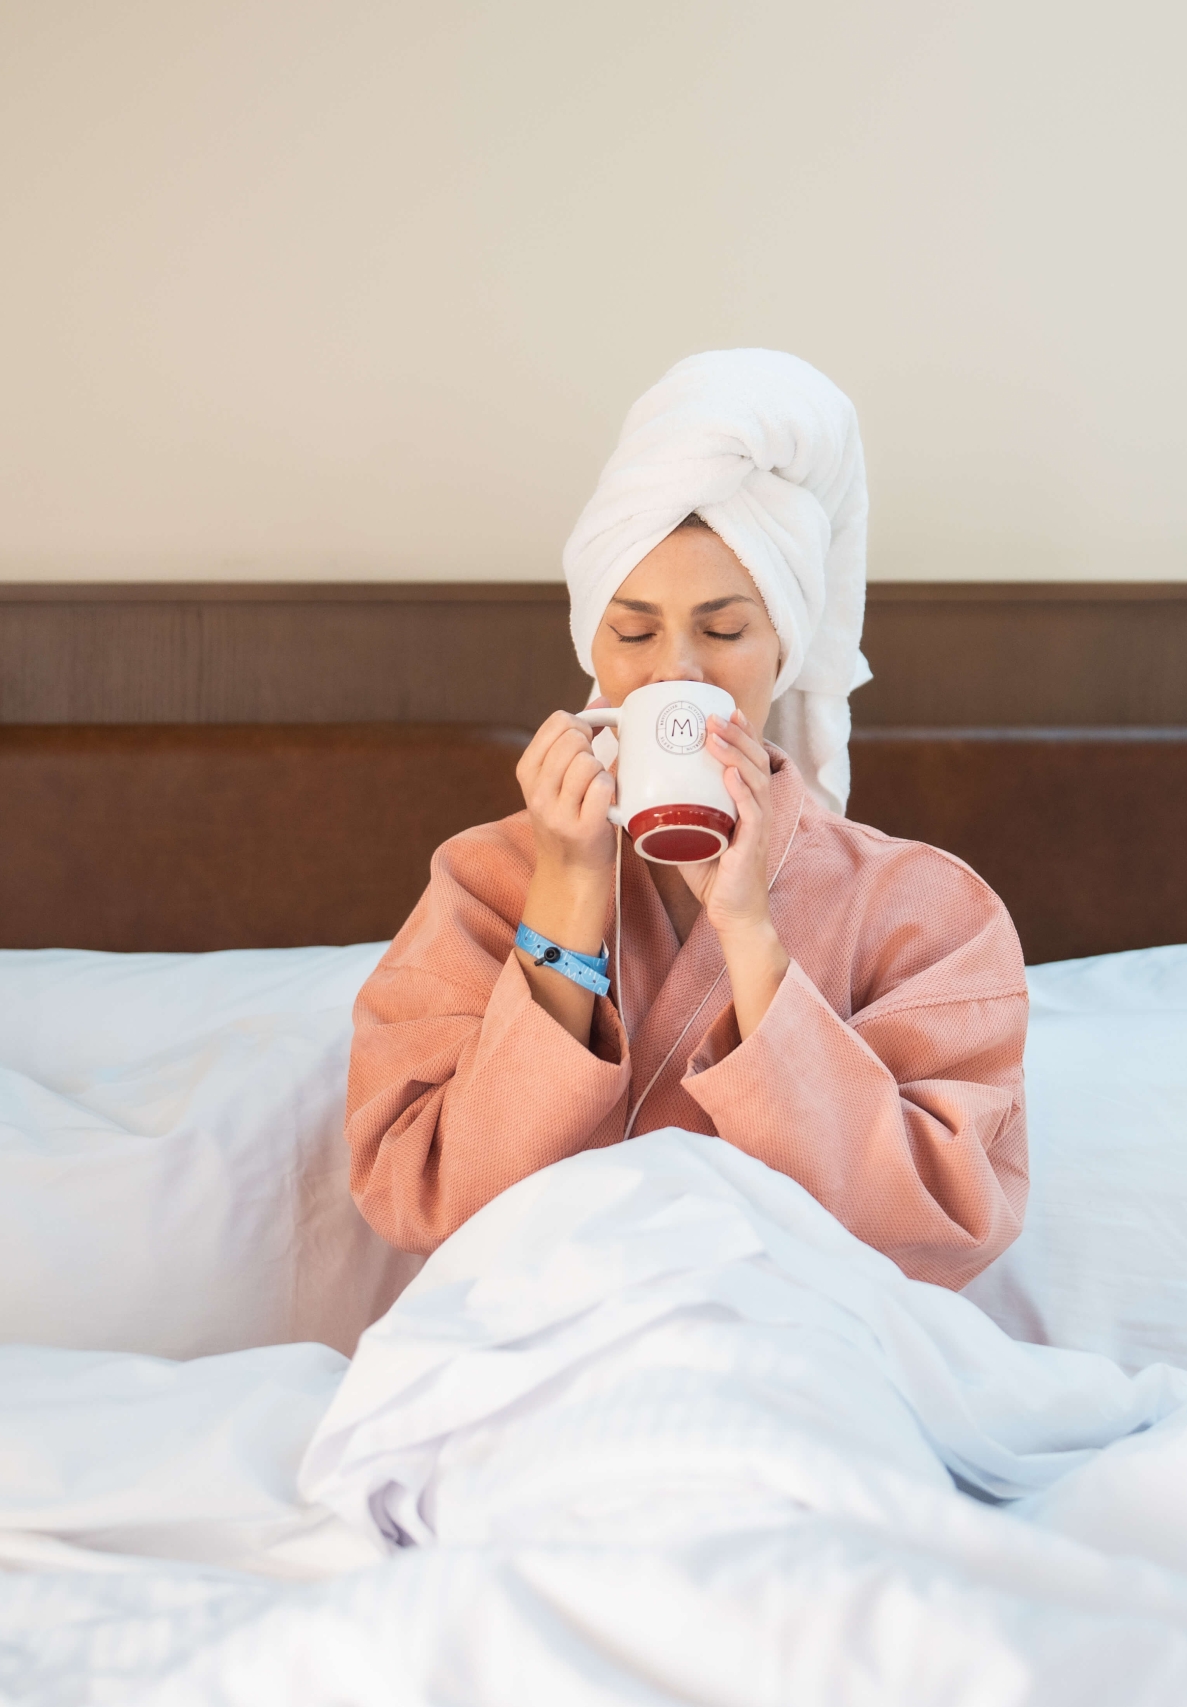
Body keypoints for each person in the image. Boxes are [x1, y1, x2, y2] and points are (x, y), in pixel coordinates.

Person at [345, 350, 1027, 1287]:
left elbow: (943, 1224)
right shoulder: (483, 885)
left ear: (782, 644)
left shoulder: (926, 911)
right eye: (633, 634)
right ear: (593, 644)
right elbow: (431, 1200)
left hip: (803, 1354)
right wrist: (569, 889)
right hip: (541, 1354)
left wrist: (750, 932)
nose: (677, 672)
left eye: (724, 629)